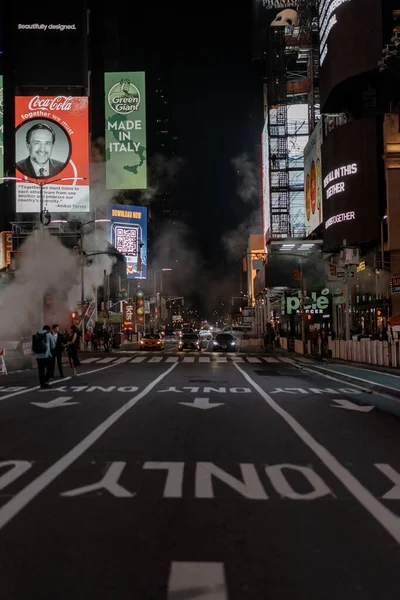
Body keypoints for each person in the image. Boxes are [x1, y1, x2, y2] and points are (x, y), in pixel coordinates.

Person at [33, 325, 55, 389]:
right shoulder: (49, 334)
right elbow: (53, 346)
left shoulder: (37, 334)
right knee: (50, 368)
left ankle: (42, 384)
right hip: (46, 355)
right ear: (48, 330)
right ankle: (46, 381)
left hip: (37, 355)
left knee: (41, 370)